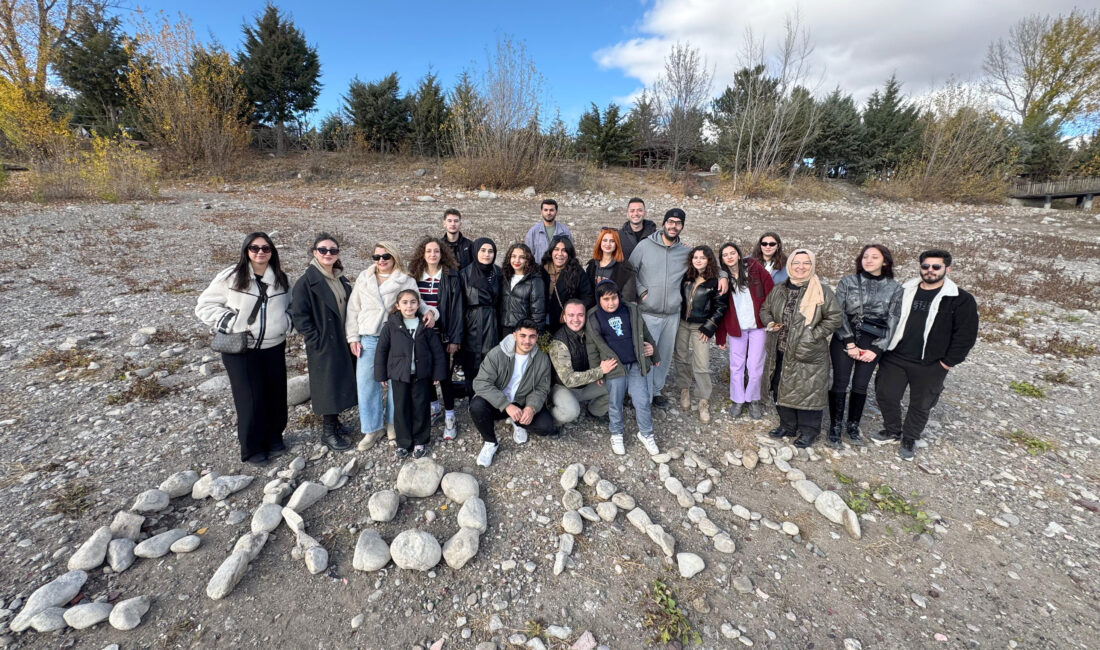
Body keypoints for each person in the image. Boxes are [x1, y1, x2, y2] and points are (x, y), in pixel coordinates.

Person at [196, 232, 293, 466]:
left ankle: (274, 438)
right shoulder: (231, 276)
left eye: (266, 248)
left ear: (272, 252)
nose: (260, 252)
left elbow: (292, 307)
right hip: (240, 349)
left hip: (273, 346)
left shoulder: (281, 279)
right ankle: (252, 447)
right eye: (254, 248)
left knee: (276, 395)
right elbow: (204, 306)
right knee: (250, 398)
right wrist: (232, 323)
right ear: (246, 250)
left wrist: (286, 324)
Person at [872, 249, 978, 461]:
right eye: (926, 266)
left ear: (947, 269)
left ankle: (910, 438)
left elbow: (966, 335)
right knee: (886, 394)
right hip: (896, 356)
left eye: (936, 267)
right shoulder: (904, 290)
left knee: (921, 404)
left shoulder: (960, 299)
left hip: (931, 362)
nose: (930, 271)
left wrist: (947, 363)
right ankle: (892, 430)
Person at [346, 242, 434, 449]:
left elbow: (416, 303)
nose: (381, 260)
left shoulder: (405, 280)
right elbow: (353, 308)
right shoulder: (364, 278)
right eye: (377, 257)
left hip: (397, 338)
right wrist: (352, 337)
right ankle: (371, 428)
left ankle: (394, 424)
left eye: (386, 256)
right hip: (368, 336)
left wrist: (430, 312)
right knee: (367, 383)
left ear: (394, 257)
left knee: (397, 385)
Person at [760, 249, 842, 448]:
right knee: (780, 386)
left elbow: (835, 317)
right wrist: (770, 323)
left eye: (806, 263)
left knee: (808, 390)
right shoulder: (779, 289)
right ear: (790, 265)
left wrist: (812, 335)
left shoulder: (821, 291)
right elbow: (765, 309)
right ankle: (787, 425)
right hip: (780, 348)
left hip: (808, 350)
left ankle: (809, 431)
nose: (800, 267)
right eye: (796, 263)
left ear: (812, 266)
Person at [828, 244, 903, 448]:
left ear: (885, 261)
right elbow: (838, 311)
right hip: (845, 335)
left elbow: (894, 319)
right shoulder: (848, 281)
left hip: (873, 339)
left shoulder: (895, 288)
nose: (868, 260)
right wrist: (848, 341)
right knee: (840, 381)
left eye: (874, 257)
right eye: (865, 257)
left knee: (861, 384)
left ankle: (852, 425)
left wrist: (877, 348)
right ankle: (835, 425)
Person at [289, 233, 357, 452]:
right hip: (324, 340)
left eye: (333, 250)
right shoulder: (307, 281)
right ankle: (328, 432)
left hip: (341, 337)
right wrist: (314, 338)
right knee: (327, 384)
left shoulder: (340, 278)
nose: (328, 254)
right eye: (323, 250)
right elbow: (299, 314)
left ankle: (335, 423)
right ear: (314, 252)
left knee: (339, 380)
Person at [586, 281, 661, 456]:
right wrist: (596, 370)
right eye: (606, 299)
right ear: (599, 300)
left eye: (613, 298)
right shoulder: (594, 317)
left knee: (642, 400)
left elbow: (645, 333)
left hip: (635, 363)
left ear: (619, 297)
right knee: (615, 401)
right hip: (613, 366)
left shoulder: (631, 310)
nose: (610, 303)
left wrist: (654, 353)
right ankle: (616, 433)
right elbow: (592, 347)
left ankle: (646, 433)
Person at [470, 319, 557, 467]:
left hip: (521, 403)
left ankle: (518, 423)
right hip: (498, 403)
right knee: (476, 406)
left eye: (532, 336)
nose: (527, 341)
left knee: (546, 427)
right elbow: (480, 383)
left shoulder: (542, 359)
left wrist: (531, 407)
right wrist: (505, 405)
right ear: (514, 335)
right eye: (523, 336)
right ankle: (490, 442)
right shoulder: (497, 354)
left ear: (537, 337)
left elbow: (541, 388)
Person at [628, 208, 690, 408]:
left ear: (682, 226)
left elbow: (708, 265)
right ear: (664, 223)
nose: (673, 226)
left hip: (672, 314)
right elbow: (630, 270)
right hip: (647, 312)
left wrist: (723, 277)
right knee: (645, 354)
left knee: (662, 356)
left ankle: (656, 391)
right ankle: (641, 393)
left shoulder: (686, 252)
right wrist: (641, 290)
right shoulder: (645, 246)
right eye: (670, 221)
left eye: (678, 223)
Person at [376, 290, 448, 459]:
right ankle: (403, 443)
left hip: (421, 375)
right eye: (405, 302)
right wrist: (381, 375)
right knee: (400, 408)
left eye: (413, 302)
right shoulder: (391, 326)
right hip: (399, 375)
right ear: (397, 306)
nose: (409, 306)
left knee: (421, 407)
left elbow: (437, 352)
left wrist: (437, 373)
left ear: (418, 304)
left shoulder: (425, 325)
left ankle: (420, 441)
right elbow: (381, 351)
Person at [409, 236, 464, 440]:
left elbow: (457, 309)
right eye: (429, 251)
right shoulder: (414, 277)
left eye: (436, 251)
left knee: (444, 376)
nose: (433, 254)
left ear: (443, 254)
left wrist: (454, 339)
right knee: (425, 373)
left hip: (443, 334)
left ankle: (450, 415)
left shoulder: (451, 277)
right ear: (422, 254)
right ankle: (434, 408)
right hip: (421, 336)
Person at [715, 242, 775, 420]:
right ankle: (738, 399)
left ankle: (753, 398)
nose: (729, 257)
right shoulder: (723, 278)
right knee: (736, 365)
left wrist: (771, 320)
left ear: (739, 255)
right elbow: (721, 309)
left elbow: (771, 292)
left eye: (732, 253)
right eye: (725, 255)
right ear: (722, 260)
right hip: (737, 328)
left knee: (755, 366)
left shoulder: (755, 269)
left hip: (758, 326)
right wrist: (720, 337)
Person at [675, 245, 728, 423]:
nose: (698, 260)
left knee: (702, 362)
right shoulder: (686, 276)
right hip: (682, 323)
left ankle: (703, 399)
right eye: (695, 257)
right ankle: (684, 389)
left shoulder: (715, 281)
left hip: (701, 327)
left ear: (709, 260)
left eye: (703, 258)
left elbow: (721, 307)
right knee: (681, 357)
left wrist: (709, 327)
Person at [548, 299, 613, 427]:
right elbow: (568, 379)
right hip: (563, 387)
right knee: (571, 412)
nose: (576, 319)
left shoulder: (591, 333)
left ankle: (595, 411)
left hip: (585, 385)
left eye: (580, 315)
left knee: (617, 385)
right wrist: (599, 372)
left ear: (585, 316)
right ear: (564, 317)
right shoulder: (559, 342)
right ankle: (553, 420)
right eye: (571, 315)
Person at [458, 238, 502, 392]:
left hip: (493, 322)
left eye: (490, 251)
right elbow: (459, 305)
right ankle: (473, 399)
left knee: (492, 363)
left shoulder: (498, 272)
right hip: (472, 324)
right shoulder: (464, 274)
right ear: (475, 251)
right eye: (482, 250)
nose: (486, 254)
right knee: (472, 363)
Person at [540, 235, 595, 334]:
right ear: (551, 251)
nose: (560, 254)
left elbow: (588, 297)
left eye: (564, 250)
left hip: (565, 325)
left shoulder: (577, 272)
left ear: (569, 253)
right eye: (556, 249)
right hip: (542, 323)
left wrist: (571, 310)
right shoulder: (541, 270)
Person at [500, 243, 546, 335]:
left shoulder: (535, 281)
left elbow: (538, 313)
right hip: (504, 329)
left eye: (522, 257)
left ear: (527, 260)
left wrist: (537, 334)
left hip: (523, 330)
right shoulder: (504, 277)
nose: (517, 260)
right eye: (513, 256)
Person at [584, 227, 637, 302]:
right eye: (605, 240)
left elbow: (627, 297)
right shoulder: (592, 266)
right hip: (594, 310)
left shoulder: (625, 268)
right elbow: (587, 293)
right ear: (600, 242)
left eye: (612, 241)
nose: (608, 244)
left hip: (615, 310)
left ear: (616, 244)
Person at [524, 198, 573, 264]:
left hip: (561, 272)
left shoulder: (565, 231)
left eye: (551, 210)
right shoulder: (533, 232)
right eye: (546, 210)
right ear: (541, 211)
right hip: (540, 271)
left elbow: (570, 253)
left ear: (556, 211)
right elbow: (528, 256)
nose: (548, 213)